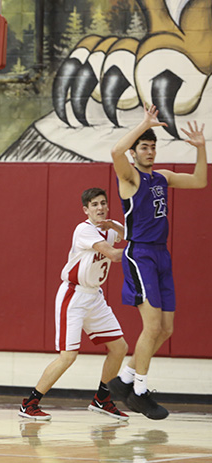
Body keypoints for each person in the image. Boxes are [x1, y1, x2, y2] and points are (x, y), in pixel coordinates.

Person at [108, 105, 207, 420]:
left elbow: (199, 181)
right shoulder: (129, 177)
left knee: (166, 329)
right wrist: (144, 124)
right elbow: (115, 150)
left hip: (162, 255)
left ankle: (122, 380)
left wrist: (202, 148)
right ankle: (138, 390)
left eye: (153, 146)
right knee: (151, 326)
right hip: (140, 254)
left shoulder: (162, 177)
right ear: (135, 153)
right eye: (144, 147)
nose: (149, 151)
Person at [19, 188, 129, 422]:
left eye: (103, 203)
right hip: (74, 296)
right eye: (94, 205)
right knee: (68, 356)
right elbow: (113, 254)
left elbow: (128, 234)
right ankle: (30, 403)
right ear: (86, 210)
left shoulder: (109, 226)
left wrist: (117, 227)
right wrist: (145, 251)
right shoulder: (84, 230)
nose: (100, 208)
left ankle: (102, 399)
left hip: (95, 297)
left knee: (119, 347)